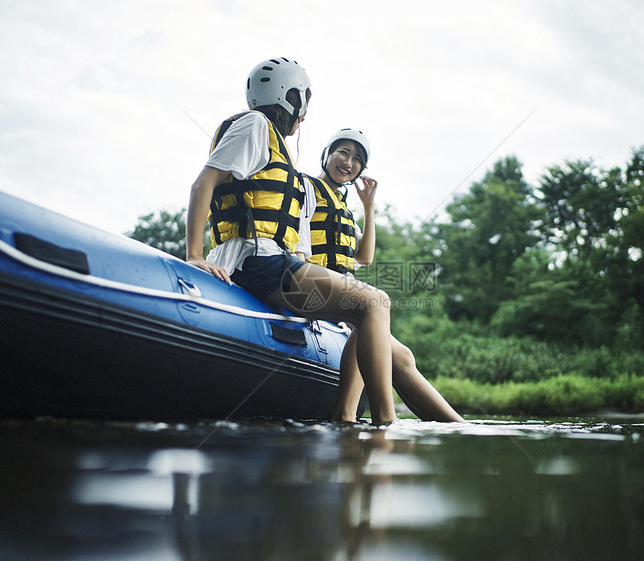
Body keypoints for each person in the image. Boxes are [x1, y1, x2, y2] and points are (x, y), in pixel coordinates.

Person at [185, 58, 398, 425]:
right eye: (304, 102)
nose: (305, 114)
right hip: (257, 262)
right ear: (292, 97)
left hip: (273, 263)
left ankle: (347, 419)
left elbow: (325, 250)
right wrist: (193, 256)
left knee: (367, 309)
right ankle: (385, 423)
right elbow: (203, 183)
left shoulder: (276, 150)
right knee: (376, 301)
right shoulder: (255, 126)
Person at [296, 129, 465, 423]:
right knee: (370, 309)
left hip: (339, 296)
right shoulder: (306, 189)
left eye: (357, 159)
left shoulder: (341, 206)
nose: (349, 162)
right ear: (326, 154)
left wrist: (368, 205)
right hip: (314, 291)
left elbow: (364, 257)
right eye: (343, 152)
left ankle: (462, 429)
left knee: (404, 357)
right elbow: (296, 249)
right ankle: (361, 417)